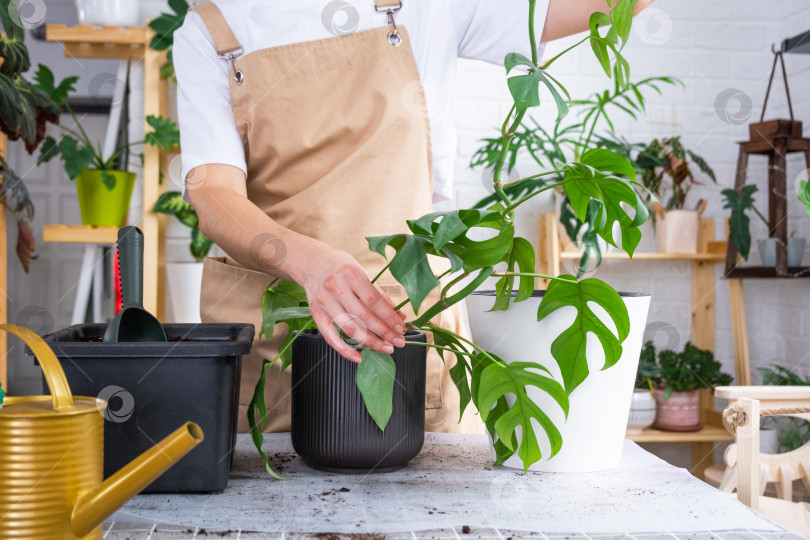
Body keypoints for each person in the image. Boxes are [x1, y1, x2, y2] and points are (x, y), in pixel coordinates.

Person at [174, 0, 654, 433]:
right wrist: (309, 262)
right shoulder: (214, 26)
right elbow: (213, 191)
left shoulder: (428, 6)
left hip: (404, 323)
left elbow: (612, 4)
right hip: (283, 329)